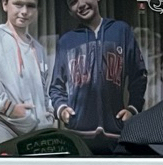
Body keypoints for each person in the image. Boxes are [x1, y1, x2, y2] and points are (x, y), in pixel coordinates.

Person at [49, 0, 147, 154]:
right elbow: (56, 86)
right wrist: (62, 110)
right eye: (73, 2)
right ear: (70, 11)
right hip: (79, 137)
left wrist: (133, 108)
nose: (81, 4)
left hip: (116, 135)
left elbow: (138, 75)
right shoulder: (66, 42)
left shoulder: (121, 31)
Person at [0, 0, 52, 148]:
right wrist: (10, 109)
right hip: (5, 128)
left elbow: (46, 90)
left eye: (31, 6)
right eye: (18, 4)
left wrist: (48, 113)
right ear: (5, 5)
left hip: (37, 134)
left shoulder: (38, 49)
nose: (24, 11)